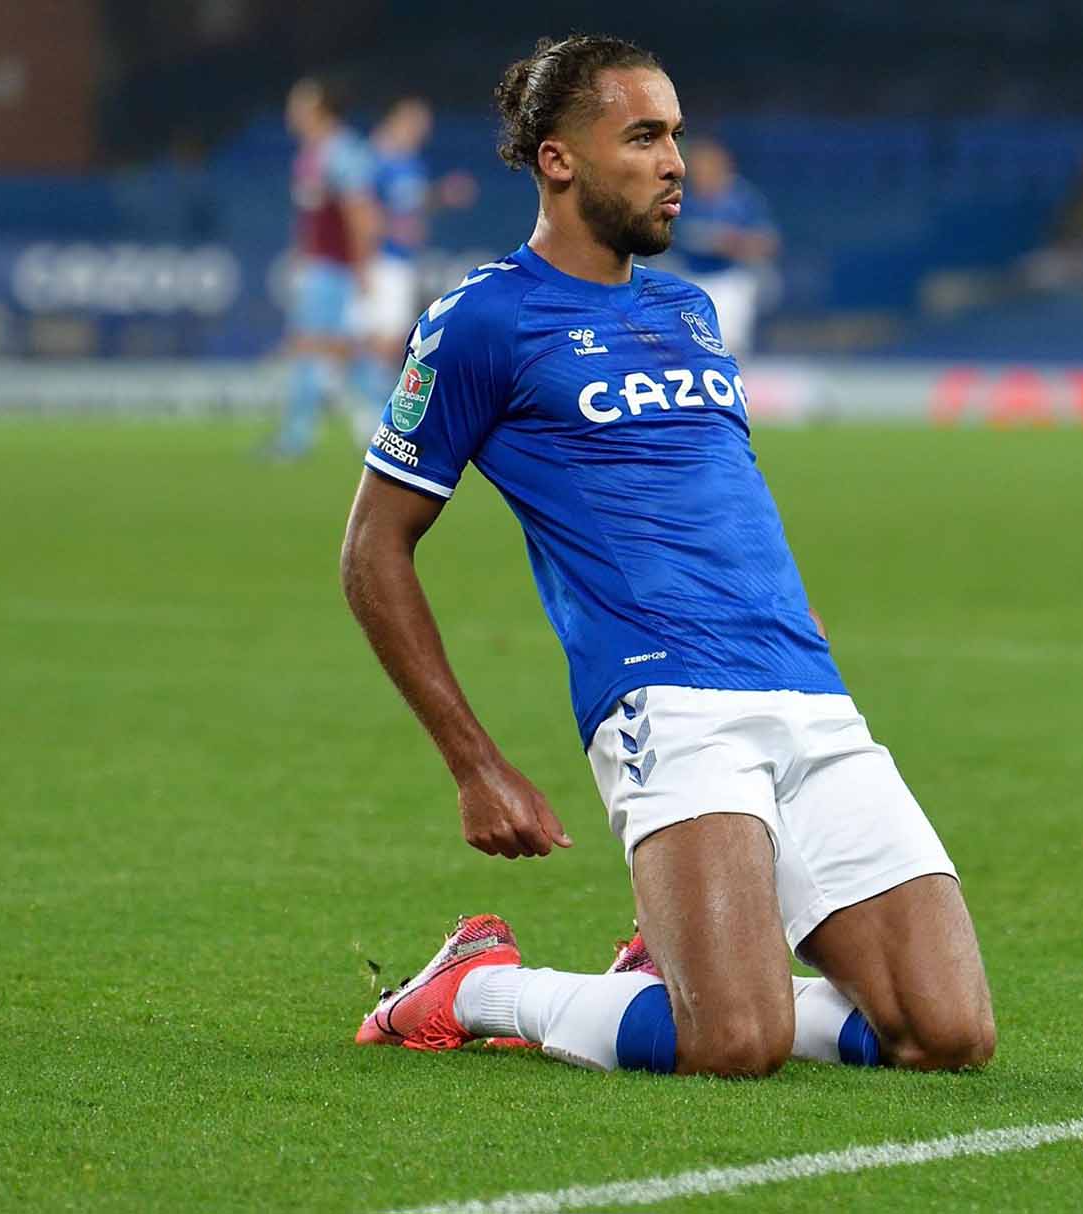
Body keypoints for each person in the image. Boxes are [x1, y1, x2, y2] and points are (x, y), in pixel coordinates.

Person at [342, 34, 995, 1077]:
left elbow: (722, 496)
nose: (675, 161)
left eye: (676, 135)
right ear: (558, 159)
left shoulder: (688, 311)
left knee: (947, 1032)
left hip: (803, 687)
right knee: (734, 1042)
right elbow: (372, 549)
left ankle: (678, 965)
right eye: (643, 135)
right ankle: (473, 986)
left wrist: (806, 628)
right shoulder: (482, 321)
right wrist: (474, 761)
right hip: (665, 702)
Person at [271, 77, 380, 458]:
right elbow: (311, 214)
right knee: (339, 349)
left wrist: (363, 267)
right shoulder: (311, 152)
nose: (290, 112)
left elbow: (359, 211)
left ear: (317, 108)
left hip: (336, 268)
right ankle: (394, 420)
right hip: (319, 266)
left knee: (317, 346)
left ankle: (296, 436)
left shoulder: (342, 151)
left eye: (297, 104)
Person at [356, 97, 479, 376]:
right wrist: (364, 262)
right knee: (382, 337)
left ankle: (367, 396)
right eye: (415, 124)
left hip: (403, 257)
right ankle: (364, 398)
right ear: (396, 120)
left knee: (390, 336)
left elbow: (410, 205)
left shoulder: (411, 162)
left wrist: (442, 194)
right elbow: (362, 214)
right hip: (383, 258)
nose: (420, 132)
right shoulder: (377, 158)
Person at [675, 138, 778, 356]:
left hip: (729, 279)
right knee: (687, 346)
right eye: (698, 165)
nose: (703, 170)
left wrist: (737, 242)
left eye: (709, 164)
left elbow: (768, 241)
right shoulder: (680, 196)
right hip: (686, 278)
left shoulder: (741, 198)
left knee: (730, 346)